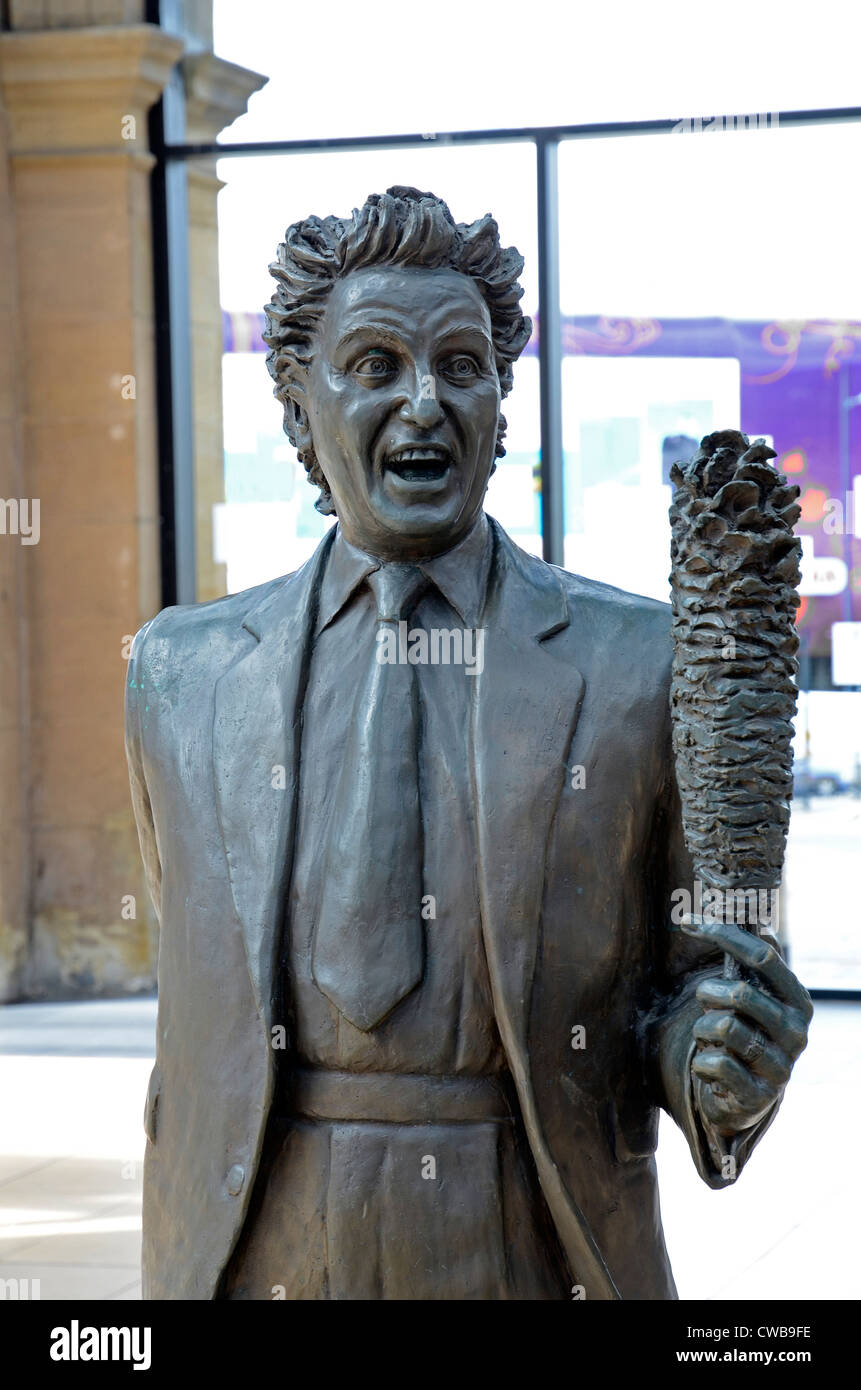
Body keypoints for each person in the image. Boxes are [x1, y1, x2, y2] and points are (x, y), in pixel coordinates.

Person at [126, 187, 811, 1300]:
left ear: (504, 395)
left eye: (462, 363)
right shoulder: (178, 674)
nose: (424, 402)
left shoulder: (638, 663)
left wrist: (722, 1059)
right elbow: (199, 974)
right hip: (257, 1237)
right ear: (299, 408)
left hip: (526, 1231)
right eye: (376, 364)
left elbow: (696, 983)